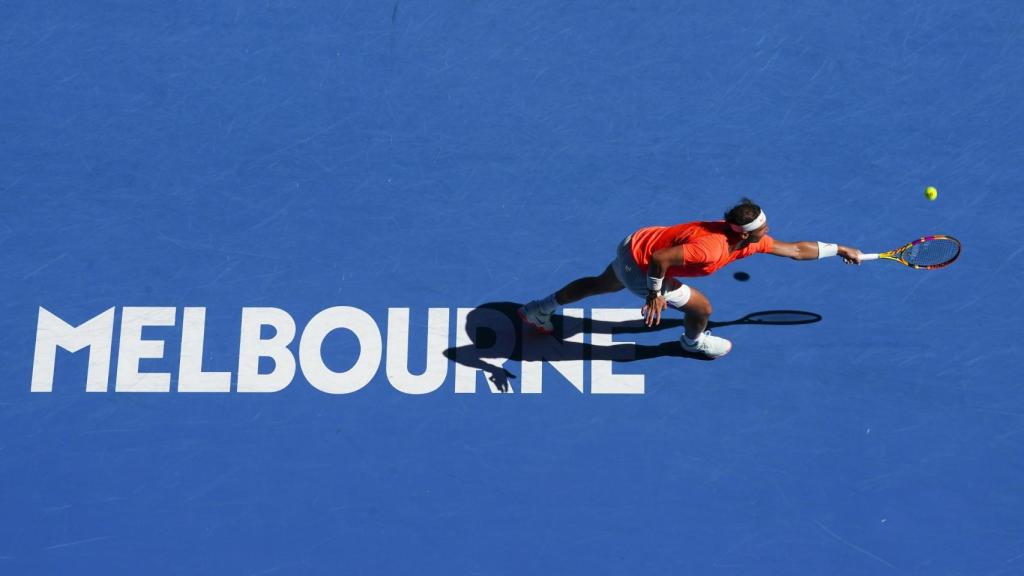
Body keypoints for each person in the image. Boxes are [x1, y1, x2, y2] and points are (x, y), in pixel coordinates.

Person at [518, 198, 863, 359]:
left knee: (599, 284)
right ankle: (692, 342)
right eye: (762, 229)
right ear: (744, 234)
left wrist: (840, 248)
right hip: (646, 264)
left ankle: (540, 309)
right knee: (701, 307)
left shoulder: (744, 240)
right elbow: (661, 260)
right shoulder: (711, 249)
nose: (768, 232)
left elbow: (796, 250)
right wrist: (655, 292)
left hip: (634, 245)